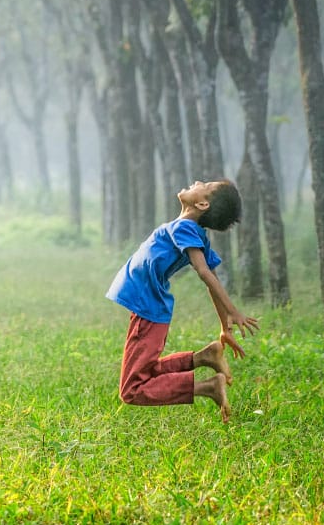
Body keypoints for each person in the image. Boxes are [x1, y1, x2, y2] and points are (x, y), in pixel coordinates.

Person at [106, 179, 259, 422]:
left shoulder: (186, 228)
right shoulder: (189, 230)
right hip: (148, 307)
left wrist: (232, 311)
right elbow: (211, 276)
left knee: (132, 389)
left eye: (205, 184)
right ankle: (203, 357)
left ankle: (207, 388)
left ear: (202, 203)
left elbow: (205, 272)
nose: (197, 181)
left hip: (148, 309)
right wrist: (224, 327)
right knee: (145, 372)